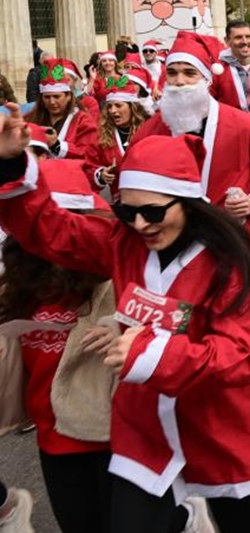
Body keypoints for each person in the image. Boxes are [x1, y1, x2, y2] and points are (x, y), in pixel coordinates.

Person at [0, 126, 250, 533]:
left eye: (153, 212)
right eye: (126, 211)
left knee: (245, 527)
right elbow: (54, 232)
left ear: (188, 203)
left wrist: (150, 353)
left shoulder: (226, 265)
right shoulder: (125, 244)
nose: (140, 224)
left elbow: (240, 356)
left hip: (218, 425)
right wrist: (11, 165)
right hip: (145, 428)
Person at [0, 160, 118, 533]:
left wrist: (125, 328)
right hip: (54, 434)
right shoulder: (17, 283)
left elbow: (180, 310)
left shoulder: (112, 270)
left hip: (113, 430)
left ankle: (183, 519)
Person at [131, 31, 250, 272]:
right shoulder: (150, 131)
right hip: (171, 247)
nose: (179, 81)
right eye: (172, 73)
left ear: (207, 79)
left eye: (189, 73)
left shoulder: (244, 126)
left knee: (235, 306)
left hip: (229, 242)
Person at [87, 69, 153, 199]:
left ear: (132, 107)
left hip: (151, 198)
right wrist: (100, 174)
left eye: (118, 105)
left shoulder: (148, 130)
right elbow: (89, 165)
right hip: (121, 201)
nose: (113, 111)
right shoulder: (102, 135)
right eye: (110, 106)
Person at [28, 58, 99, 163]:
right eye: (47, 97)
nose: (52, 102)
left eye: (56, 97)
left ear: (69, 96)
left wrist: (56, 145)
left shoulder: (83, 120)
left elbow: (89, 154)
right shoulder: (32, 118)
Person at [213, 20, 250, 114]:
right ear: (227, 41)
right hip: (231, 125)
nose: (244, 41)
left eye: (248, 37)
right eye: (238, 37)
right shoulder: (218, 69)